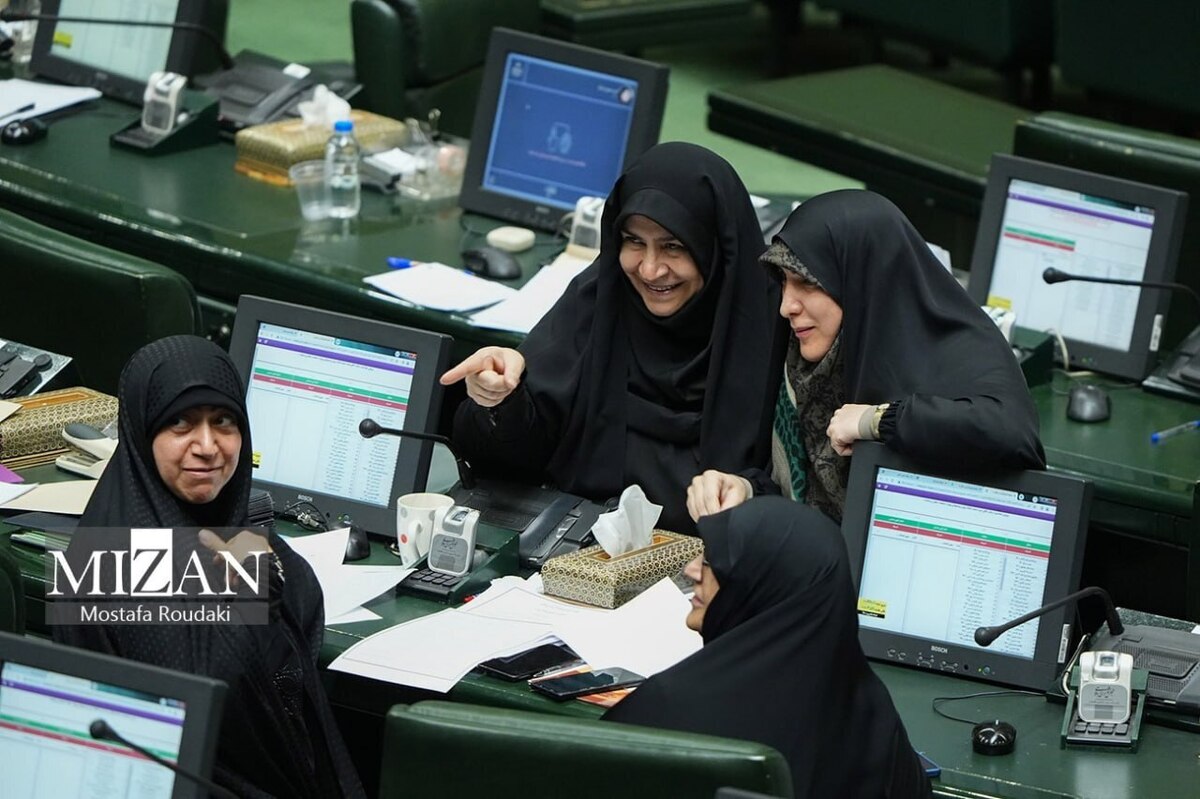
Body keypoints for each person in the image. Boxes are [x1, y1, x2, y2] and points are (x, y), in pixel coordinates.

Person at [54, 335, 365, 799]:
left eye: (223, 421)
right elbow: (219, 696)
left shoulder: (241, 535)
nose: (207, 446)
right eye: (179, 423)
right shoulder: (110, 563)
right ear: (142, 433)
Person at [441, 142, 787, 534]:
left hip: (712, 562)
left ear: (717, 248)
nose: (651, 269)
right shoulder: (599, 301)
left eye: (674, 246)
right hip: (575, 550)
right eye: (634, 241)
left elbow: (804, 497)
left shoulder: (776, 324)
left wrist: (748, 490)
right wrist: (501, 401)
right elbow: (505, 459)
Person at [688, 189, 1045, 523]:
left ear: (859, 279)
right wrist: (748, 490)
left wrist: (877, 421)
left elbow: (1011, 432)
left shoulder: (958, 347)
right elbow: (804, 496)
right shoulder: (804, 360)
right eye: (783, 280)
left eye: (807, 283)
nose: (787, 306)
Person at [605, 496, 931, 798]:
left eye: (714, 561)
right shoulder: (874, 716)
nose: (691, 570)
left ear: (762, 584)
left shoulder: (669, 708)